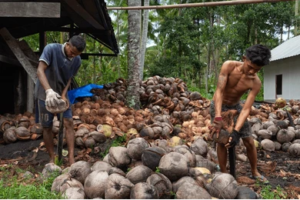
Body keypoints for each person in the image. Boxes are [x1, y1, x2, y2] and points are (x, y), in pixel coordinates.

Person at [210, 44, 271, 183]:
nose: (251, 71)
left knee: (249, 140)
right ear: (244, 58)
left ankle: (254, 171)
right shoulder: (228, 66)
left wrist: (236, 131)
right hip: (219, 105)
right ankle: (225, 174)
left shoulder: (255, 83)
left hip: (237, 107)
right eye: (250, 67)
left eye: (256, 70)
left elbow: (246, 109)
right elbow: (219, 91)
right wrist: (218, 116)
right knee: (222, 141)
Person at [35, 35, 86, 165]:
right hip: (44, 93)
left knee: (69, 122)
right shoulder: (51, 49)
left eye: (76, 54)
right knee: (47, 126)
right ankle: (52, 157)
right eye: (72, 52)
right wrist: (49, 91)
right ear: (67, 45)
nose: (73, 55)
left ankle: (71, 158)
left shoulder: (77, 60)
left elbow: (69, 79)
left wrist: (64, 94)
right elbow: (40, 70)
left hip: (61, 92)